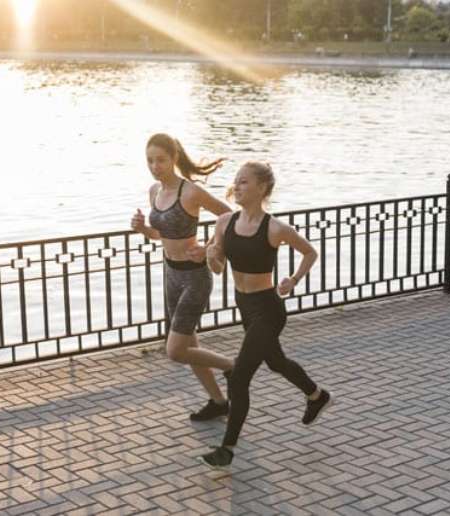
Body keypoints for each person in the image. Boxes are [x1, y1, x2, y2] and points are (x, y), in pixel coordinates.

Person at [201, 161, 333, 468]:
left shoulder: (274, 228)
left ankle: (227, 449)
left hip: (268, 309)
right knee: (276, 362)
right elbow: (218, 268)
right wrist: (210, 256)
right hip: (244, 306)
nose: (238, 186)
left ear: (262, 188)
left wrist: (293, 280)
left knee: (239, 377)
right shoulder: (223, 223)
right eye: (236, 181)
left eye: (245, 182)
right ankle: (316, 396)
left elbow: (310, 252)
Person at [131, 133, 235, 421]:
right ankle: (218, 402)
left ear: (174, 158)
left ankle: (232, 367)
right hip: (171, 274)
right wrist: (143, 230)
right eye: (150, 161)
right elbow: (162, 234)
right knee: (189, 346)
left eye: (161, 160)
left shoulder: (190, 192)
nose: (155, 166)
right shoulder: (154, 191)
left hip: (195, 278)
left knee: (175, 351)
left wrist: (210, 247)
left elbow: (229, 216)